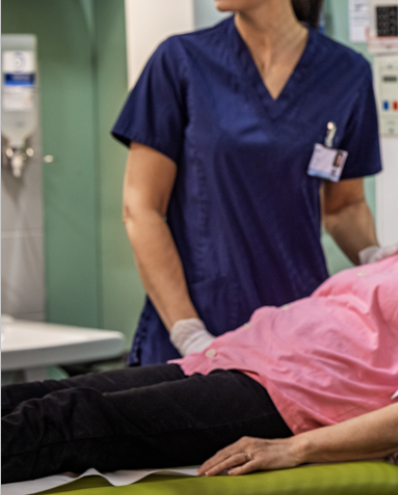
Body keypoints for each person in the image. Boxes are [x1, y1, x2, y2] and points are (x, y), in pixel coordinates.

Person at [2, 124, 398, 482]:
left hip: (282, 402)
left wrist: (295, 448)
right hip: (224, 363)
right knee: (36, 397)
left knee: (73, 418)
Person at [114, 0, 381, 366]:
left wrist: (377, 257)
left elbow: (344, 206)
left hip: (295, 326)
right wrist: (188, 332)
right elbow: (141, 209)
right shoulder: (180, 61)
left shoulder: (348, 74)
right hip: (197, 322)